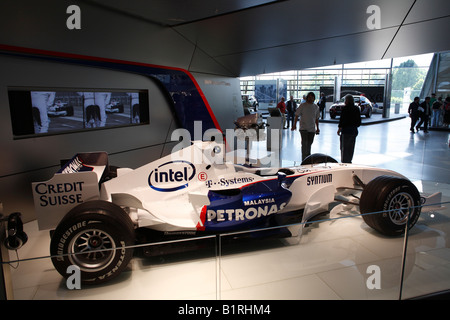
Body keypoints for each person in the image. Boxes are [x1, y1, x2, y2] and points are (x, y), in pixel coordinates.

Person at [292, 92, 320, 161]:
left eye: (312, 97)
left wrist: (317, 128)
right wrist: (294, 125)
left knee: (309, 145)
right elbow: (296, 115)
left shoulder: (316, 107)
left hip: (312, 129)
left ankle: (308, 160)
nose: (310, 99)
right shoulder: (302, 105)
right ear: (307, 98)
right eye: (309, 97)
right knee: (304, 145)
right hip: (303, 129)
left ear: (314, 98)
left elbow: (316, 118)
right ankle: (304, 161)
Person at [337, 94, 361, 163]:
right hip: (353, 131)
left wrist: (339, 129)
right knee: (351, 148)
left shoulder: (345, 109)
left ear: (346, 101)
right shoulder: (356, 108)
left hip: (346, 131)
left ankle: (344, 162)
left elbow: (342, 120)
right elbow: (359, 122)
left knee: (344, 148)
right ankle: (349, 161)